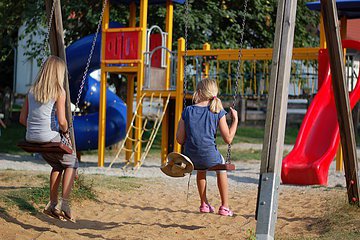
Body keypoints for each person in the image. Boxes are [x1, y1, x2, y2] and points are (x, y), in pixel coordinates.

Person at [19, 55, 78, 222]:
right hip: (47, 137)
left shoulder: (31, 91)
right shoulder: (59, 91)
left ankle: (52, 204)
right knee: (72, 162)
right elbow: (62, 121)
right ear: (59, 73)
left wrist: (35, 131)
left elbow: (22, 119)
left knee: (57, 164)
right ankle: (64, 203)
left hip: (30, 137)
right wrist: (66, 131)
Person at [176, 78, 238, 216]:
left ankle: (204, 204)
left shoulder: (187, 111)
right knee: (221, 166)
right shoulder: (217, 111)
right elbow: (228, 139)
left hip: (191, 159)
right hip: (209, 157)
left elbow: (179, 139)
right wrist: (235, 121)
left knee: (201, 169)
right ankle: (224, 206)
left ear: (198, 93)